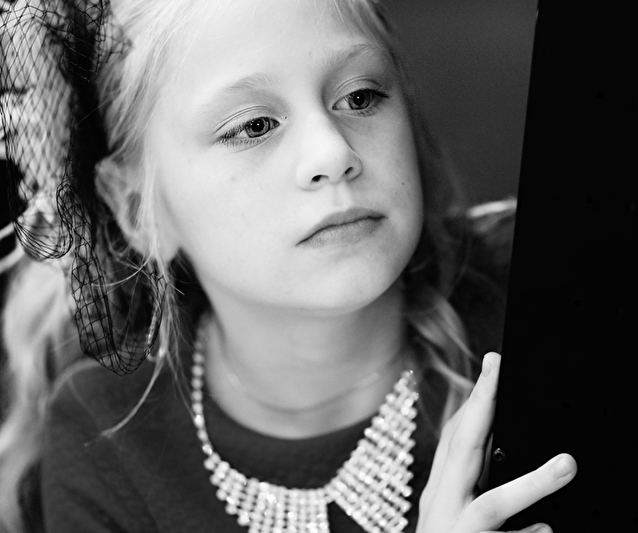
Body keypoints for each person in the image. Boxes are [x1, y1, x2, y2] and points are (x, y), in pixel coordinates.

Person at [0, 0, 577, 532]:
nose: (333, 153)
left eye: (360, 97)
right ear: (136, 208)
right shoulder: (105, 440)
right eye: (253, 126)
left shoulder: (544, 299)